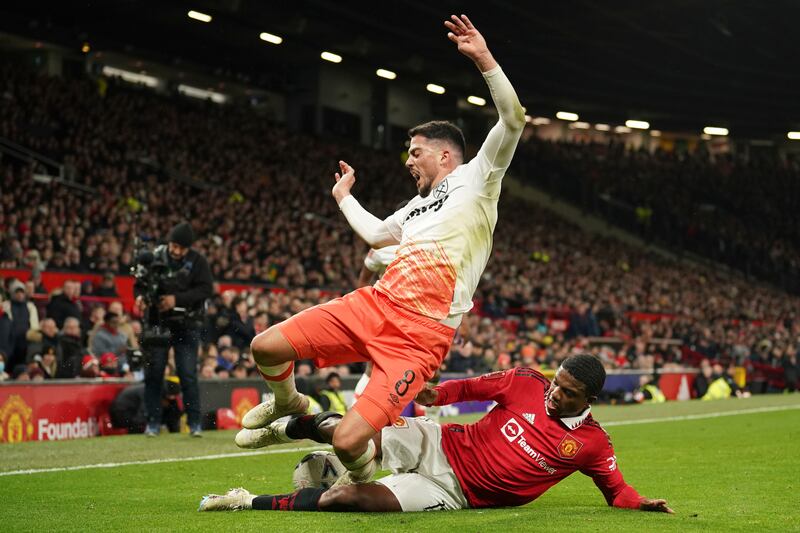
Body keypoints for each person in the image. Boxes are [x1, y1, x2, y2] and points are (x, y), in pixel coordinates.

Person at [241, 14, 526, 488]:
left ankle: (364, 478)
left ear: (444, 154)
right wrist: (343, 198)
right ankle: (288, 402)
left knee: (349, 442)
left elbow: (514, 119)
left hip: (420, 337)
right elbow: (376, 235)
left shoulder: (479, 178)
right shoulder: (414, 209)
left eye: (415, 152)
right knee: (265, 346)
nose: (408, 160)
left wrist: (484, 60)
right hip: (376, 304)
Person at [201, 354, 673, 515]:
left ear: (587, 400)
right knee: (346, 430)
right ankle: (285, 422)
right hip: (440, 441)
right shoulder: (527, 382)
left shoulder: (591, 443)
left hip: (451, 492)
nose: (553, 394)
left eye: (567, 393)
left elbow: (616, 490)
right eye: (555, 383)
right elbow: (475, 385)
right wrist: (437, 393)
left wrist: (642, 502)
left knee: (347, 501)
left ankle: (245, 500)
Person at [139, 221, 213, 437]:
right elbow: (141, 282)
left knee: (187, 374)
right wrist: (140, 298)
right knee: (154, 373)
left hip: (187, 324)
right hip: (158, 322)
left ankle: (194, 423)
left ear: (188, 248)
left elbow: (206, 289)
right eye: (173, 246)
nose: (175, 251)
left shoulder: (198, 262)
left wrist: (176, 299)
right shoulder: (155, 256)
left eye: (180, 248)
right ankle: (152, 422)